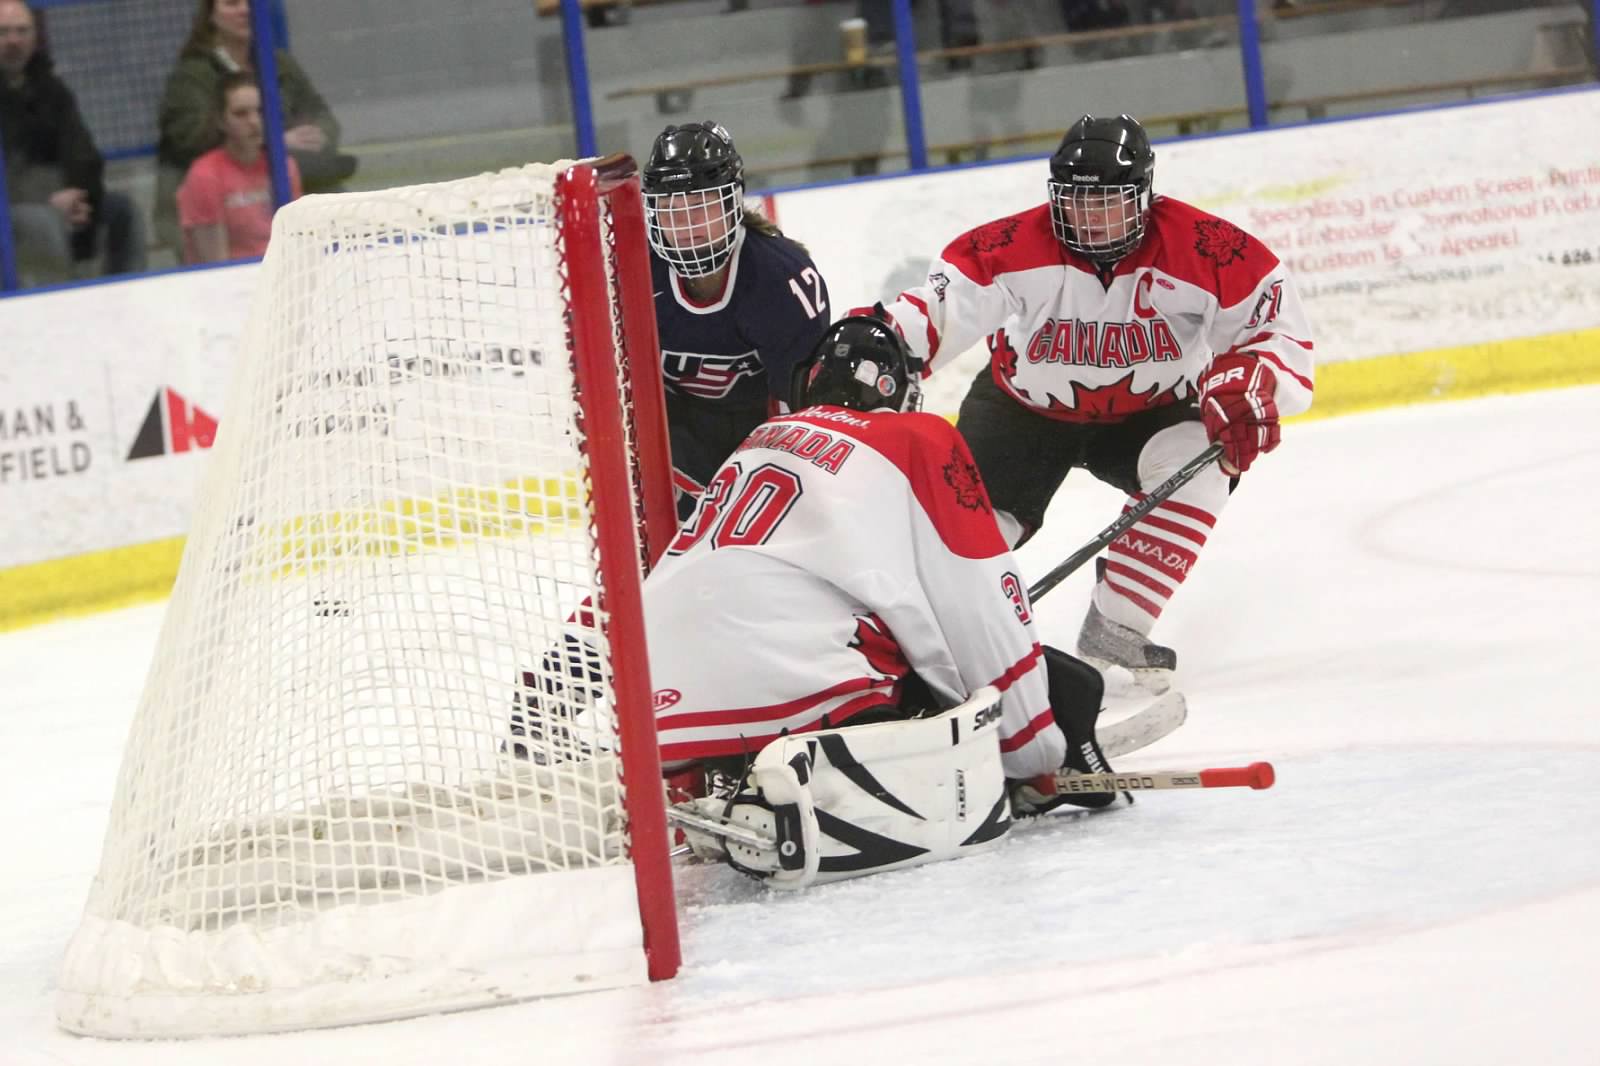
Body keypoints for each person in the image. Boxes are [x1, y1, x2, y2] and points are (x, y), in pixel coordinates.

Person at [855, 114, 1315, 689]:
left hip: (1152, 416)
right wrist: (875, 350)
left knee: (1203, 459)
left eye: (1109, 202)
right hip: (1021, 415)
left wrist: (1253, 379)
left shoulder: (1210, 249)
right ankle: (925, 654)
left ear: (1144, 195)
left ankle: (1119, 625)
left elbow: (1277, 333)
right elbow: (938, 312)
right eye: (1075, 201)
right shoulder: (1008, 245)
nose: (1091, 218)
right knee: (965, 540)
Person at [641, 121, 832, 521]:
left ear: (732, 203)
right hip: (677, 431)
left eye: (701, 205)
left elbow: (799, 412)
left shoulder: (781, 279)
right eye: (672, 210)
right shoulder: (631, 271)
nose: (687, 225)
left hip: (758, 431)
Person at [154, 0, 346, 252]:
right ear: (210, 15)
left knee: (339, 199)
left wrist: (318, 135)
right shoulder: (192, 75)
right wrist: (274, 141)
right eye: (232, 3)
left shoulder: (279, 62)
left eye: (250, 3)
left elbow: (321, 114)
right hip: (217, 192)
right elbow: (189, 138)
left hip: (283, 174)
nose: (244, 9)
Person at [0, 0, 146, 284]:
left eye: (22, 31)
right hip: (14, 203)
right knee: (42, 222)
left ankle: (128, 292)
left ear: (35, 36)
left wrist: (79, 194)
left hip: (58, 197)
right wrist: (46, 200)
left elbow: (82, 150)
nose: (14, 40)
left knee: (122, 210)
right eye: (3, 32)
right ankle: (56, 302)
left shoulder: (51, 89)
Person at [175, 72, 301, 263]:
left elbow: (298, 242)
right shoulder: (205, 175)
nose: (254, 122)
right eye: (241, 114)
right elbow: (216, 264)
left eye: (260, 111)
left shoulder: (284, 167)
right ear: (221, 121)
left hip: (282, 275)